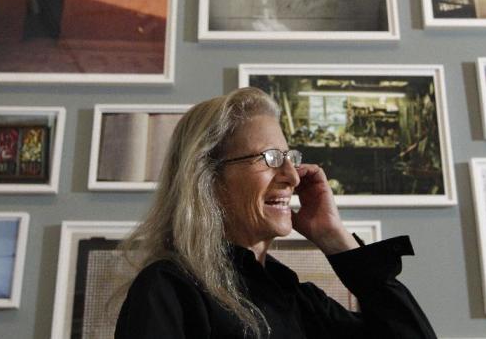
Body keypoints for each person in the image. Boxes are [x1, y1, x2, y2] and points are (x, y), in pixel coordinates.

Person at [113, 87, 437, 338]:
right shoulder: (168, 289)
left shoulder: (297, 299)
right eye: (269, 158)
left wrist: (336, 239)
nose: (293, 177)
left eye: (289, 157)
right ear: (208, 178)